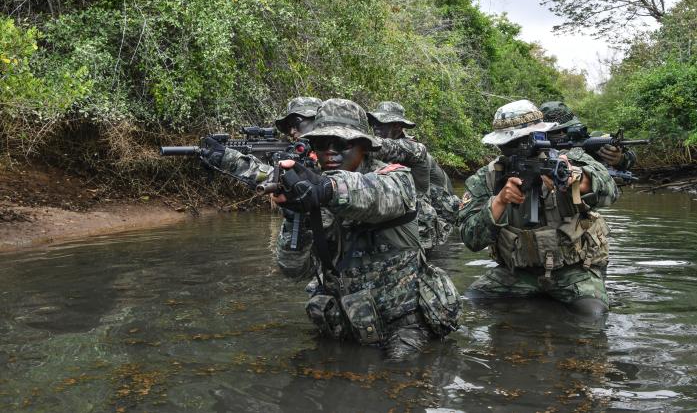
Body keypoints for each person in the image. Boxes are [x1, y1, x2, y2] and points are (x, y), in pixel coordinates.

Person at [203, 98, 461, 358]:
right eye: (321, 143)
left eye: (341, 144)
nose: (330, 152)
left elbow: (370, 195)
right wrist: (296, 216)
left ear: (364, 146)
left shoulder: (397, 178)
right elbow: (294, 271)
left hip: (402, 331)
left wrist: (326, 189)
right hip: (346, 325)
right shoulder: (311, 187)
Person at [457, 100, 619, 318]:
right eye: (510, 143)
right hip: (517, 273)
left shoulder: (569, 159)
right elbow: (471, 239)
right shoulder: (487, 177)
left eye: (524, 141)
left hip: (574, 271)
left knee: (593, 317)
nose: (518, 148)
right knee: (469, 305)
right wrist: (499, 201)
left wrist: (581, 181)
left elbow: (611, 191)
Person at [367, 101, 460, 249]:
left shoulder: (414, 150)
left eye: (381, 122)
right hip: (414, 218)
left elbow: (380, 147)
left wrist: (353, 143)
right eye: (373, 122)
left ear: (397, 127)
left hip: (438, 224)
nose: (375, 126)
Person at [539, 101, 637, 172]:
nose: (562, 134)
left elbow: (631, 155)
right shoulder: (538, 149)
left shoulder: (592, 140)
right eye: (555, 131)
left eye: (566, 129)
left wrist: (620, 159)